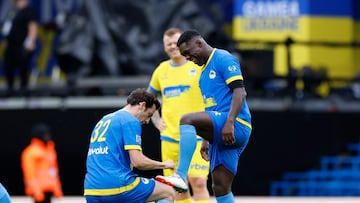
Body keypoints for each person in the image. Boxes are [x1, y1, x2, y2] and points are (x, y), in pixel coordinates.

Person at [155, 30, 252, 203]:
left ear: (199, 44)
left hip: (236, 124)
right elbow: (210, 108)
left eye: (188, 53)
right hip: (220, 132)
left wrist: (230, 122)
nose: (188, 58)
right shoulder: (201, 75)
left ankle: (180, 175)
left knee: (186, 119)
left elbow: (240, 92)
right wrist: (206, 138)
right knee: (220, 187)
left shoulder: (223, 58)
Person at [148, 28, 210, 203]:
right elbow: (149, 98)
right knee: (178, 188)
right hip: (170, 139)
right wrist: (156, 120)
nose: (172, 47)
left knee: (198, 182)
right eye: (168, 44)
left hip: (197, 136)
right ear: (164, 47)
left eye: (175, 43)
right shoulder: (161, 70)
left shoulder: (197, 65)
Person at [83, 88, 176, 203]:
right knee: (168, 192)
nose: (147, 121)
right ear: (142, 105)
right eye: (149, 115)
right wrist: (164, 164)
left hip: (91, 190)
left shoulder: (105, 119)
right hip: (117, 186)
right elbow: (138, 162)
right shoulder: (130, 120)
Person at [1, 0, 38, 96]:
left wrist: (30, 42)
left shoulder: (28, 11)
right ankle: (10, 88)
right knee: (8, 65)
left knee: (23, 66)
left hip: (22, 44)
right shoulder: (13, 11)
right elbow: (7, 27)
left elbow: (32, 27)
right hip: (11, 44)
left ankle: (23, 88)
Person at [21, 123, 63, 203]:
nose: (48, 137)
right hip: (39, 193)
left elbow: (54, 171)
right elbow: (30, 175)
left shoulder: (50, 150)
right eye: (45, 134)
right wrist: (36, 191)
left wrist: (57, 188)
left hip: (49, 191)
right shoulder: (30, 152)